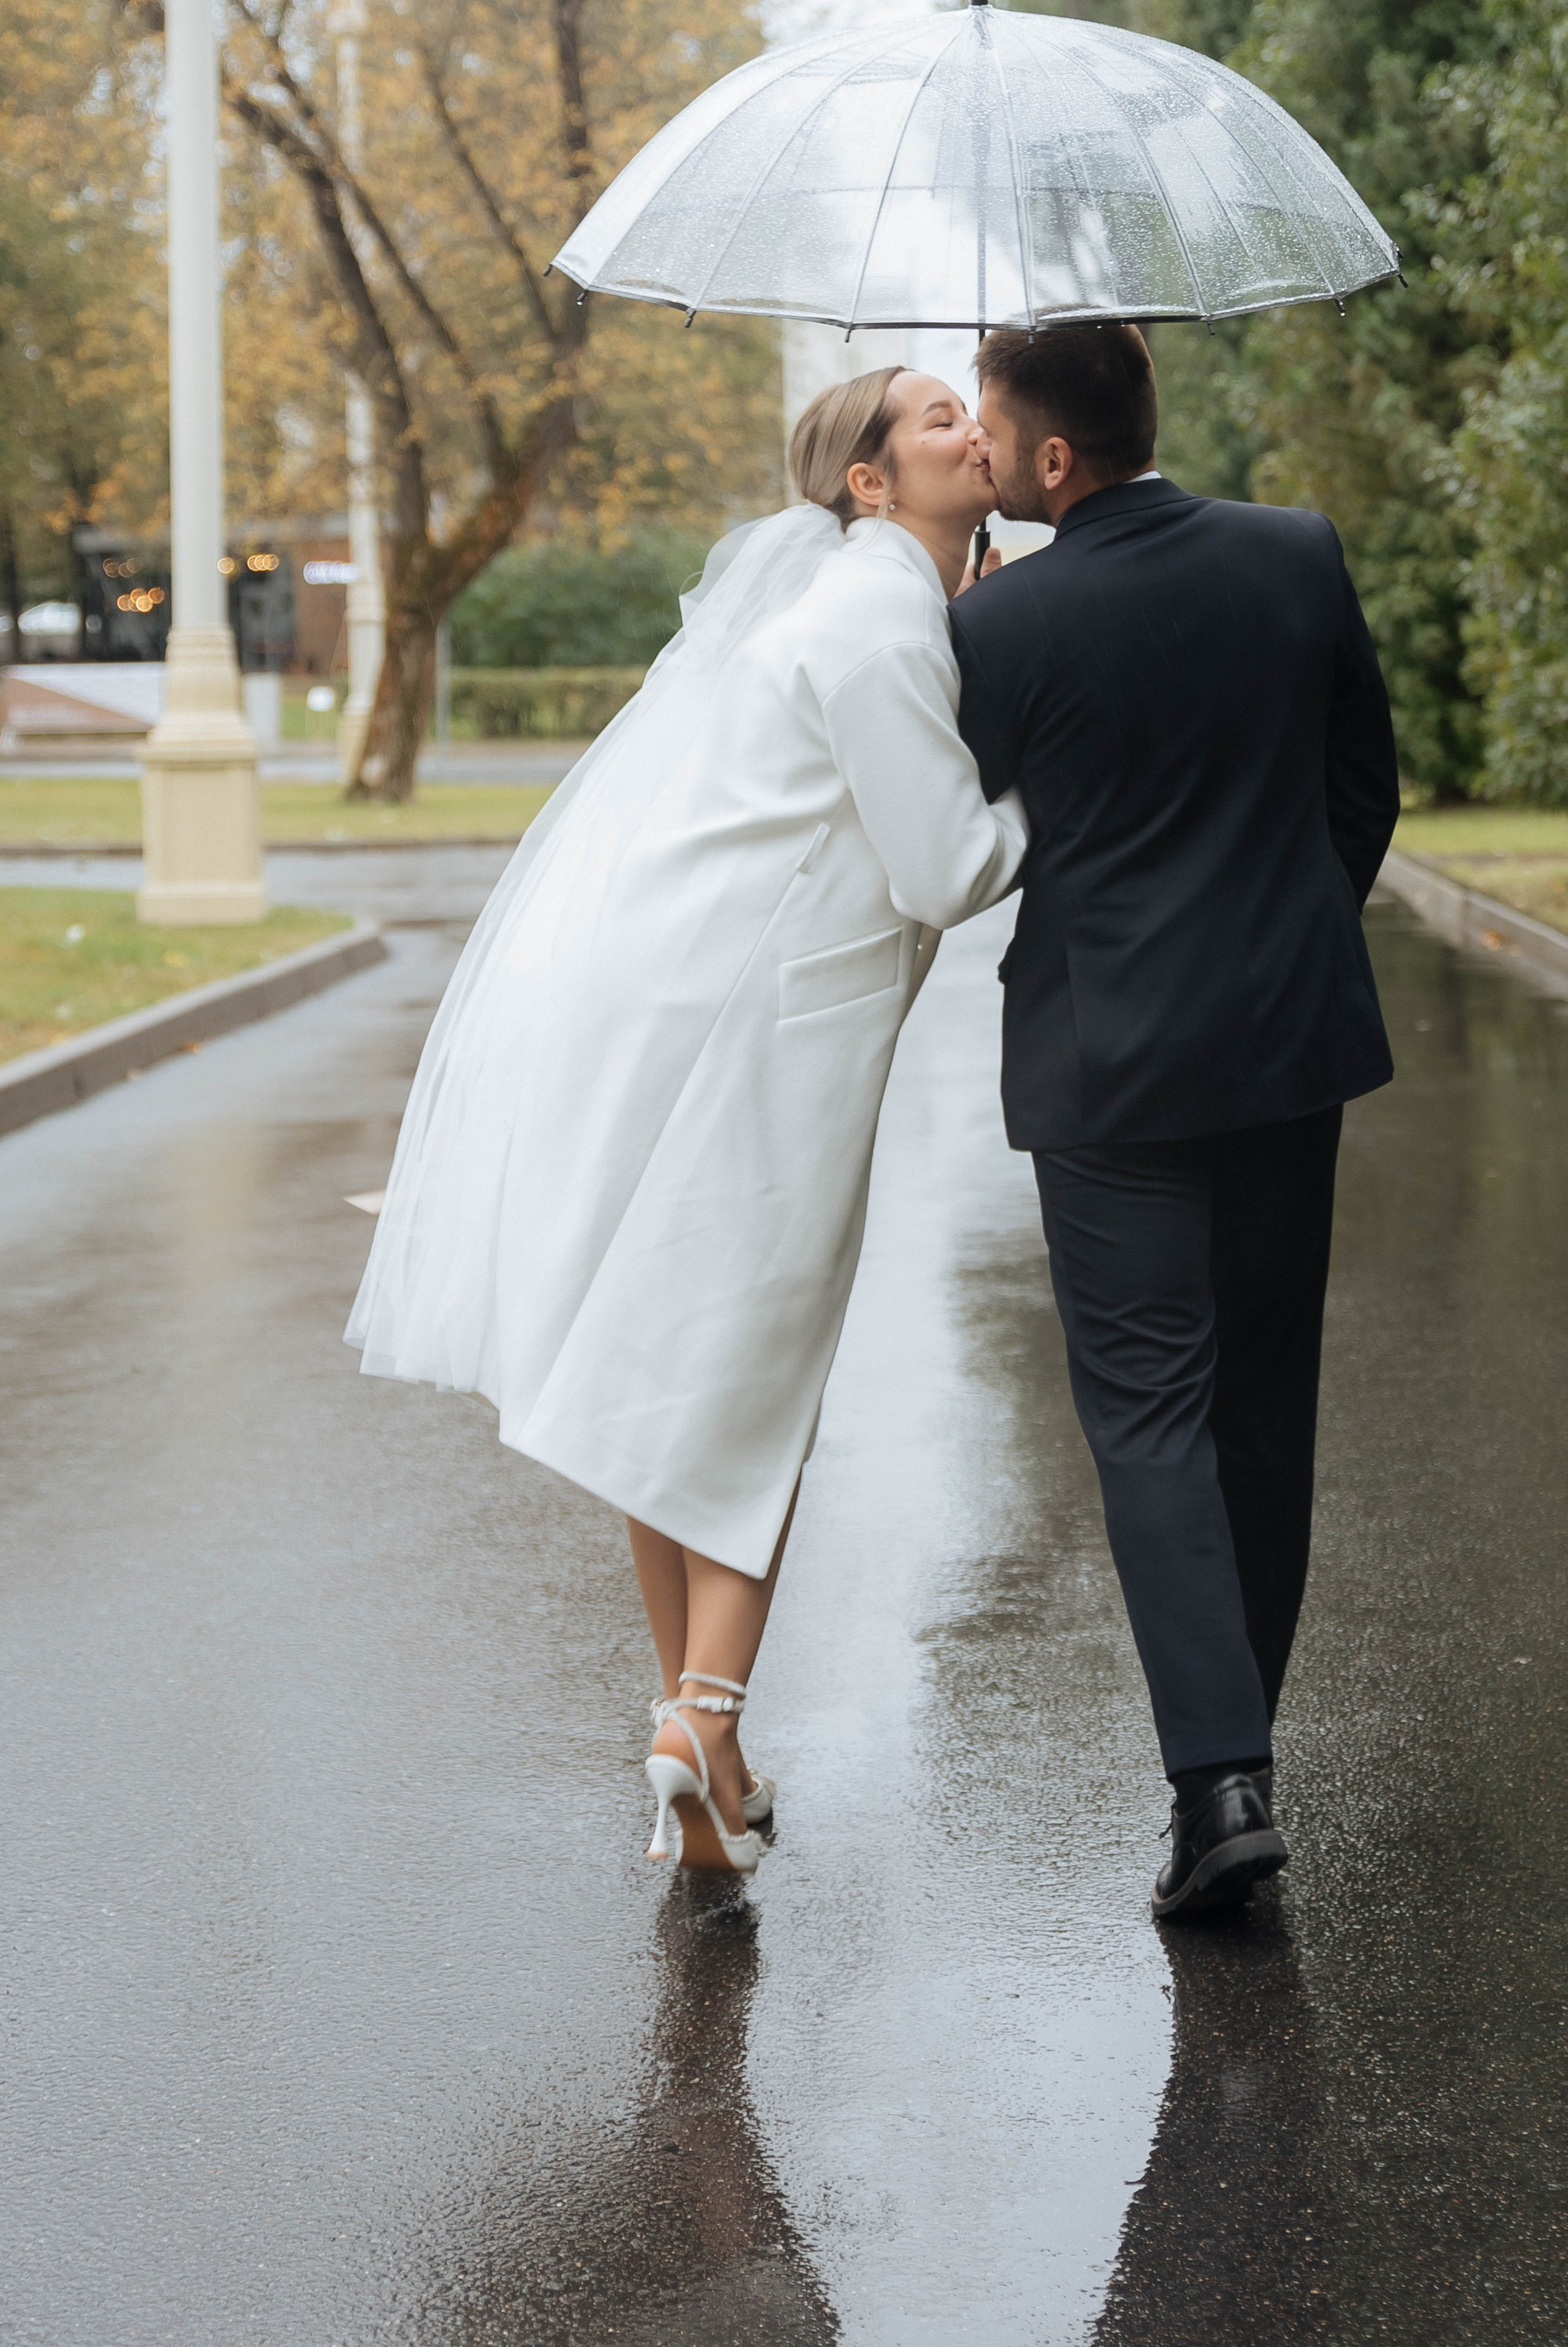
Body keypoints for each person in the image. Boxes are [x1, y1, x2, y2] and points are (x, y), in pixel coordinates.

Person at [348, 371, 1026, 1876]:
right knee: (753, 1373)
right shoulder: (878, 620)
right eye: (932, 421)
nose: (969, 432)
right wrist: (1060, 801)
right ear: (865, 481)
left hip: (680, 993)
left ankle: (703, 1765)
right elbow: (946, 870)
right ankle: (702, 1723)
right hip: (758, 1032)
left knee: (668, 1371)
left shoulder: (862, 600)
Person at [950, 321, 1399, 1917]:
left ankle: (1216, 1787)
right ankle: (1239, 1768)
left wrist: (972, 622)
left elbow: (970, 812)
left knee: (1147, 1415)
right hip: (1286, 1048)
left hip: (1108, 1066)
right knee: (1263, 1406)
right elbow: (1365, 789)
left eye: (995, 437)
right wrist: (1290, 936)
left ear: (1052, 460)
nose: (986, 463)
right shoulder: (1295, 556)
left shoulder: (1004, 623)